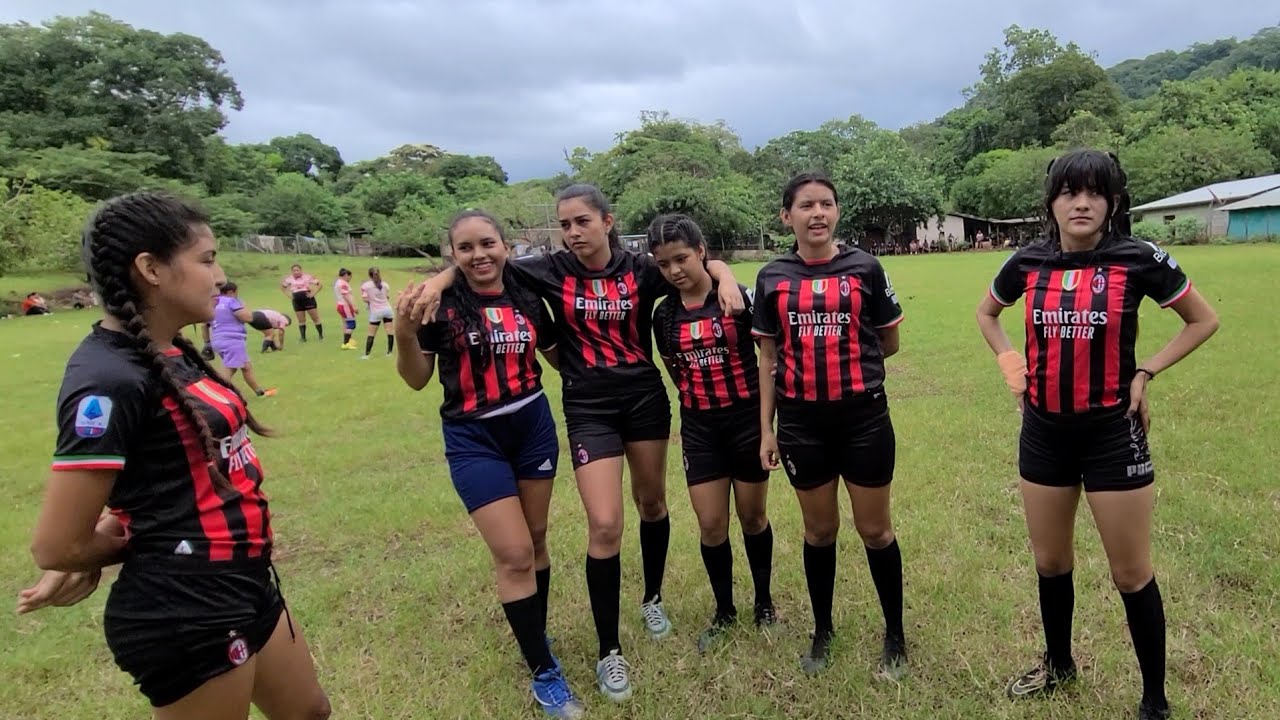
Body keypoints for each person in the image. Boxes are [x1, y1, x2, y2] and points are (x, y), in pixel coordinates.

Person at [411, 184, 745, 702]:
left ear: (607, 222)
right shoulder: (549, 269)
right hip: (588, 408)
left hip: (644, 400)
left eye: (582, 221)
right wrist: (439, 277)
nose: (572, 232)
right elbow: (485, 262)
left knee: (652, 503)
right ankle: (609, 650)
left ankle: (652, 597)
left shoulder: (641, 269)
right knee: (606, 523)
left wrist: (722, 274)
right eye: (564, 224)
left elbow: (693, 264)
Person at [16, 192, 328, 719]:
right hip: (187, 602)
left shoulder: (170, 350)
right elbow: (56, 544)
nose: (219, 276)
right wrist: (127, 545)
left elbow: (159, 472)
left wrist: (127, 525)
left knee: (308, 711)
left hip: (243, 576)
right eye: (207, 259)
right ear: (151, 269)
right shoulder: (107, 380)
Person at [976, 150, 1219, 720]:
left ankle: (1154, 700)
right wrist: (1012, 365)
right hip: (1043, 433)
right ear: (1051, 202)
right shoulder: (1027, 262)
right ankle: (1060, 667)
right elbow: (987, 313)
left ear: (1113, 202)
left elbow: (1203, 319)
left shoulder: (1138, 258)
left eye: (1095, 193)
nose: (1081, 203)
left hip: (1112, 434)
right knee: (1050, 561)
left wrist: (1146, 370)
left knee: (1130, 572)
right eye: (1069, 192)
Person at [393, 210, 583, 719]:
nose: (479, 255)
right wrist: (404, 334)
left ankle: (535, 635)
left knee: (536, 540)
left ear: (505, 245)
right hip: (473, 437)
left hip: (532, 425)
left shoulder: (526, 291)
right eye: (465, 248)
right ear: (452, 255)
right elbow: (416, 379)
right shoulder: (439, 303)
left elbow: (557, 355)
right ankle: (544, 672)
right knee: (515, 553)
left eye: (487, 244)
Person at [753, 172, 907, 678]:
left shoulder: (865, 267)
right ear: (787, 216)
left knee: (875, 530)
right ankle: (822, 630)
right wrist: (767, 429)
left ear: (837, 211)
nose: (817, 213)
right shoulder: (772, 277)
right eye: (806, 205)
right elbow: (768, 359)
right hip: (801, 425)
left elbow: (888, 341)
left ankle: (895, 635)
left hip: (864, 419)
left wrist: (848, 367)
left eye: (826, 204)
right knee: (819, 531)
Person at [647, 214, 775, 654]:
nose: (674, 270)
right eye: (664, 264)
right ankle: (724, 610)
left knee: (753, 518)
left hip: (746, 422)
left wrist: (766, 427)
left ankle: (764, 602)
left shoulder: (737, 298)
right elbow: (674, 370)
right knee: (711, 524)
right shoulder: (664, 315)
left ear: (701, 252)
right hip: (700, 429)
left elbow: (767, 360)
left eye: (682, 258)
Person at [211, 283, 277, 398]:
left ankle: (260, 392)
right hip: (232, 340)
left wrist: (207, 343)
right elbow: (248, 318)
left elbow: (204, 325)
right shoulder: (231, 301)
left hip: (217, 340)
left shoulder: (213, 302)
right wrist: (243, 306)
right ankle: (216, 393)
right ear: (231, 292)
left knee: (246, 366)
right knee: (231, 368)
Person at [279, 264, 322, 341]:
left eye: (297, 270)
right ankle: (303, 337)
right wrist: (289, 295)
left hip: (308, 299)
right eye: (294, 270)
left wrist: (313, 294)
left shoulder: (307, 277)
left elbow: (319, 284)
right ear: (292, 272)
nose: (296, 272)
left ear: (301, 270)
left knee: (315, 318)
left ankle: (320, 335)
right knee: (301, 320)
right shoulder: (289, 279)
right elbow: (282, 287)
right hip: (297, 301)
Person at [360, 267, 395, 359]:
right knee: (390, 331)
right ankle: (389, 353)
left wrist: (371, 300)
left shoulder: (366, 285)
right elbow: (387, 297)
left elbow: (365, 299)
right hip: (387, 309)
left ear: (369, 275)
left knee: (371, 333)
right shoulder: (385, 284)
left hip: (376, 311)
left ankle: (367, 355)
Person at [334, 268, 359, 350]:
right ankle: (345, 343)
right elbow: (346, 295)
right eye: (350, 277)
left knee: (346, 323)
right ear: (346, 275)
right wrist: (353, 306)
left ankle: (347, 341)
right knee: (352, 324)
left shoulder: (338, 282)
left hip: (340, 305)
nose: (350, 279)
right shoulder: (343, 284)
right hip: (345, 306)